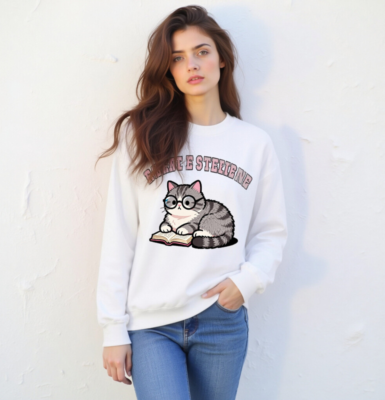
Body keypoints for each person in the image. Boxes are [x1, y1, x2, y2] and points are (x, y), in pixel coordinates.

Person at [95, 5, 288, 400]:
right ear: (168, 70)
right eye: (178, 58)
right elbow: (119, 234)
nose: (192, 65)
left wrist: (247, 282)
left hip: (221, 318)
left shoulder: (254, 144)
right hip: (152, 324)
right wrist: (113, 327)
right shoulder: (141, 137)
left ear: (221, 58)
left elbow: (271, 231)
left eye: (201, 52)